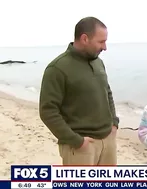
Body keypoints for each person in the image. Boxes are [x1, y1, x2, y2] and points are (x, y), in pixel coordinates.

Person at [39, 17, 119, 165]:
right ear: (84, 38)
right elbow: (48, 111)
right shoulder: (57, 68)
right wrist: (77, 141)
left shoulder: (98, 62)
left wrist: (114, 122)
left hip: (108, 141)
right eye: (101, 42)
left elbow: (107, 92)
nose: (105, 47)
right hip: (81, 147)